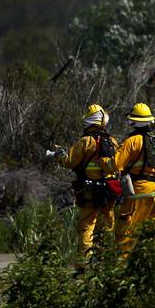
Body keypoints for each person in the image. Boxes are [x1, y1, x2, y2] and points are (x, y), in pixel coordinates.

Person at [55, 103, 121, 254]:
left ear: (88, 121)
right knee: (107, 226)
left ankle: (85, 264)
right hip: (109, 191)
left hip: (90, 191)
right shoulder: (113, 141)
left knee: (87, 226)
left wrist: (59, 154)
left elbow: (68, 162)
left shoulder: (85, 142)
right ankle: (105, 261)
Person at [114, 102, 155, 251]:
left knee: (126, 231)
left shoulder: (130, 142)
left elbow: (116, 164)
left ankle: (122, 268)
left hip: (137, 193)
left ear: (133, 121)